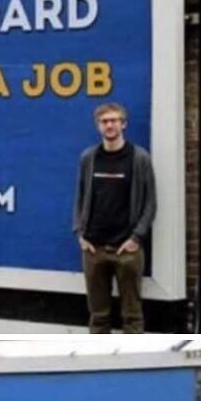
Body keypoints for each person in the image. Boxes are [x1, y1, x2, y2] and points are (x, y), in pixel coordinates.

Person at [73, 101, 157, 334]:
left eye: (114, 121)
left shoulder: (139, 158)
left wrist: (136, 238)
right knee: (98, 317)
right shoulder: (89, 158)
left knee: (132, 317)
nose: (109, 125)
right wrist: (80, 233)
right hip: (94, 249)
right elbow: (79, 197)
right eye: (104, 121)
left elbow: (151, 203)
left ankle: (134, 367)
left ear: (123, 124)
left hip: (127, 250)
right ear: (98, 126)